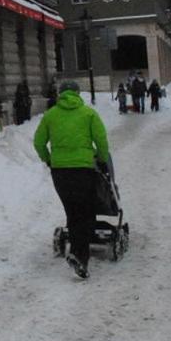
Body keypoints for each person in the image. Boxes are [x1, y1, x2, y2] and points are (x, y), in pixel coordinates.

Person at [34, 80, 110, 279]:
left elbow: (38, 141)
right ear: (77, 94)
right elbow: (101, 140)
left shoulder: (51, 115)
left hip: (60, 171)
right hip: (84, 169)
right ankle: (80, 257)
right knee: (84, 212)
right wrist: (102, 160)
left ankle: (77, 248)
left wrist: (48, 159)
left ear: (60, 94)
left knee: (72, 210)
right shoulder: (88, 113)